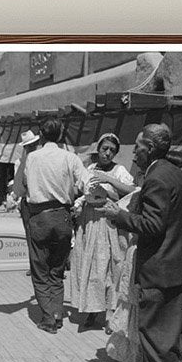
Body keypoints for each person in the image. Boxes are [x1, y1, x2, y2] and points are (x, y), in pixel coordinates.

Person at [103, 123, 182, 362]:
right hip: (175, 265)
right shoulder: (175, 174)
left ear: (149, 148)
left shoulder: (157, 178)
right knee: (169, 332)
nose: (133, 151)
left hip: (160, 267)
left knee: (154, 332)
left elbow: (152, 225)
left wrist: (120, 215)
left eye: (137, 146)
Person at [12, 118, 87, 333]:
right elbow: (86, 184)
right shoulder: (71, 158)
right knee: (57, 269)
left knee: (40, 269)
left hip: (39, 218)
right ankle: (57, 312)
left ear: (42, 136)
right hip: (63, 216)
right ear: (61, 136)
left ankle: (49, 318)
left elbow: (18, 190)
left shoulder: (32, 158)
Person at [68, 133, 137, 330]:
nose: (107, 153)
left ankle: (110, 315)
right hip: (89, 222)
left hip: (109, 222)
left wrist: (108, 184)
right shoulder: (89, 169)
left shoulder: (119, 170)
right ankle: (91, 309)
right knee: (89, 266)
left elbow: (131, 191)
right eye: (104, 148)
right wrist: (80, 203)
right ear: (98, 149)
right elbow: (82, 190)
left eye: (112, 150)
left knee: (109, 268)